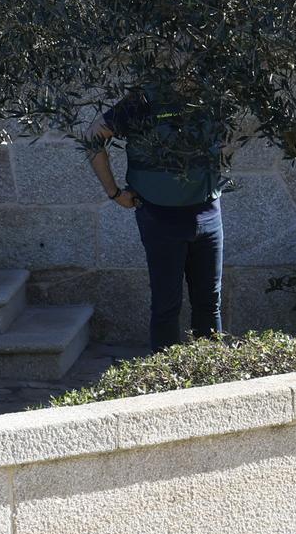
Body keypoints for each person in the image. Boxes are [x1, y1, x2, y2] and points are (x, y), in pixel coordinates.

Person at [87, 90, 227, 349]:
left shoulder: (211, 91)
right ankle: (167, 385)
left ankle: (212, 380)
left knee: (210, 303)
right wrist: (114, 192)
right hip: (160, 216)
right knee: (167, 305)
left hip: (208, 212)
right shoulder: (144, 99)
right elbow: (93, 135)